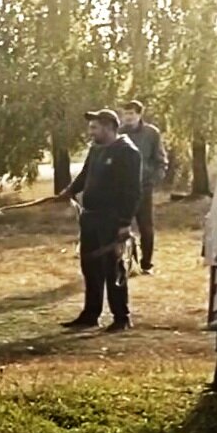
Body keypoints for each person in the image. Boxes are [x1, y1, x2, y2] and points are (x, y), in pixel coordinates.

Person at [55, 109, 142, 332]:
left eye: (95, 127)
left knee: (113, 268)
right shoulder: (96, 150)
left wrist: (124, 223)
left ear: (109, 127)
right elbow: (85, 176)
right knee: (90, 267)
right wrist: (68, 192)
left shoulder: (128, 152)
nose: (90, 131)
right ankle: (90, 315)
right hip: (91, 217)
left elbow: (132, 192)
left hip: (112, 220)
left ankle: (121, 317)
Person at [119, 100, 168, 275]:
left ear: (139, 114)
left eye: (132, 113)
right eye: (126, 114)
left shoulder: (151, 133)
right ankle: (122, 261)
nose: (128, 117)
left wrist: (153, 179)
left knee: (145, 226)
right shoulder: (118, 133)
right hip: (122, 188)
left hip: (143, 187)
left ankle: (146, 263)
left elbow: (160, 160)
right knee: (120, 225)